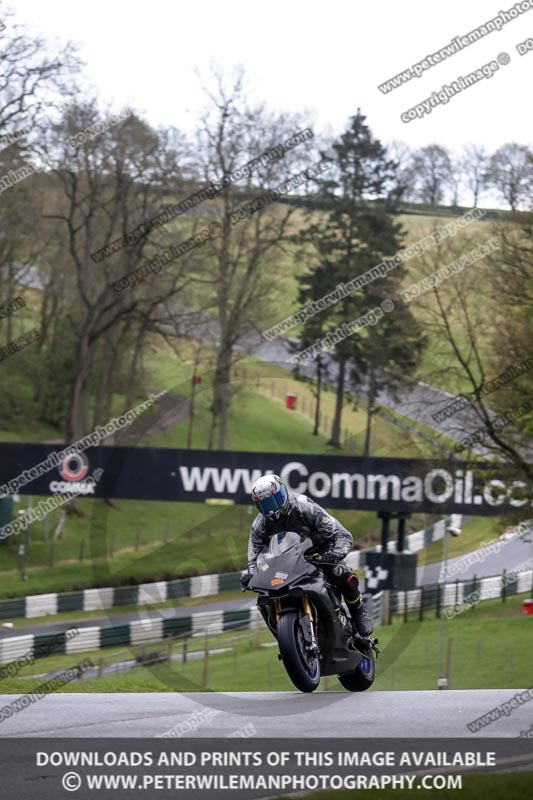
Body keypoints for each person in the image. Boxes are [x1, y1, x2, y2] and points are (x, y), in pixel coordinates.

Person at [240, 474, 373, 637]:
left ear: (282, 493)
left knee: (341, 573)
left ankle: (358, 610)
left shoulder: (305, 507)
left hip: (320, 553)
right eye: (264, 504)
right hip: (287, 562)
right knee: (265, 594)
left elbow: (341, 534)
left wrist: (333, 554)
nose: (270, 508)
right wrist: (251, 574)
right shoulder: (259, 525)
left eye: (272, 501)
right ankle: (289, 636)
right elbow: (254, 555)